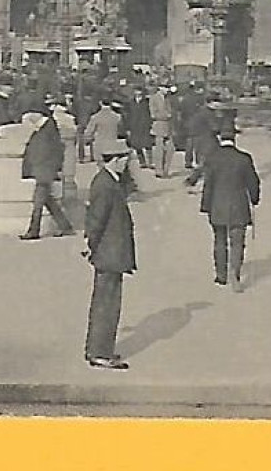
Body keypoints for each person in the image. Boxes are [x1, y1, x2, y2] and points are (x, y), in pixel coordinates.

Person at [83, 138, 137, 369]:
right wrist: (90, 245)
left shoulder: (108, 181)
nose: (126, 162)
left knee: (107, 302)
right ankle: (100, 352)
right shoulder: (106, 185)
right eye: (124, 158)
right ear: (114, 160)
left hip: (110, 251)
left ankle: (99, 349)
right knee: (107, 304)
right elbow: (96, 220)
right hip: (109, 252)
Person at [198, 124, 260, 291]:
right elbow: (253, 182)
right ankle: (235, 272)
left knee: (219, 241)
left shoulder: (213, 158)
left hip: (217, 206)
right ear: (234, 139)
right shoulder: (244, 158)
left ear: (220, 138)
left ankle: (221, 275)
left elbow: (208, 185)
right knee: (237, 242)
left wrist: (205, 206)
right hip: (238, 205)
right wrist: (254, 199)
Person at [18, 109, 74, 240]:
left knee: (38, 203)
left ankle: (33, 231)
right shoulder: (45, 129)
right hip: (43, 171)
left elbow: (55, 151)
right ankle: (66, 227)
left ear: (37, 115)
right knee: (48, 201)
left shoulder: (47, 130)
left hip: (44, 172)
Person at [149, 85, 175, 177]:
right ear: (160, 88)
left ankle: (166, 170)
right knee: (159, 150)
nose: (168, 90)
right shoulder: (154, 98)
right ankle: (159, 171)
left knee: (170, 149)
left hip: (168, 127)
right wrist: (166, 116)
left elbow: (171, 111)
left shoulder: (168, 98)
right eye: (166, 88)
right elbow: (153, 114)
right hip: (159, 126)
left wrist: (169, 115)